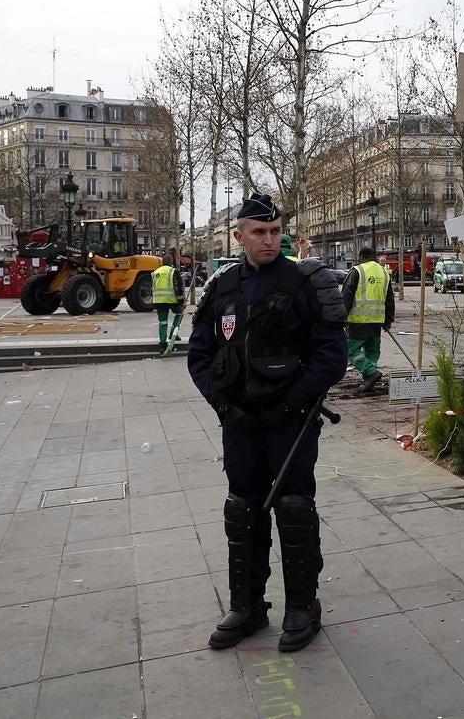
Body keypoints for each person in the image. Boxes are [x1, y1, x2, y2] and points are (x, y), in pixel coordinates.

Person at [187, 193, 347, 653]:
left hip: (289, 423)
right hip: (239, 423)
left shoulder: (306, 283)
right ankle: (247, 606)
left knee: (294, 508)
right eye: (259, 233)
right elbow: (199, 356)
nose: (270, 240)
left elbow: (331, 356)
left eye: (276, 232)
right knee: (242, 510)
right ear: (239, 236)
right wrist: (223, 406)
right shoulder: (224, 287)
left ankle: (302, 606)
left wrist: (292, 405)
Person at [343, 245, 394, 392]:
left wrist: (342, 317)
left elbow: (347, 295)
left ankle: (371, 373)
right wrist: (388, 320)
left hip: (358, 320)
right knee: (372, 352)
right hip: (377, 320)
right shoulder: (384, 272)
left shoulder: (357, 271)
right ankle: (370, 378)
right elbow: (390, 298)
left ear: (361, 257)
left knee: (351, 350)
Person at [151, 260, 185, 353]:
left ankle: (162, 343)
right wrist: (181, 302)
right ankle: (173, 333)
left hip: (158, 301)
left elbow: (152, 287)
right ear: (170, 262)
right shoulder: (173, 271)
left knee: (162, 322)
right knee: (179, 313)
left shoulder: (155, 272)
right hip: (171, 300)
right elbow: (178, 287)